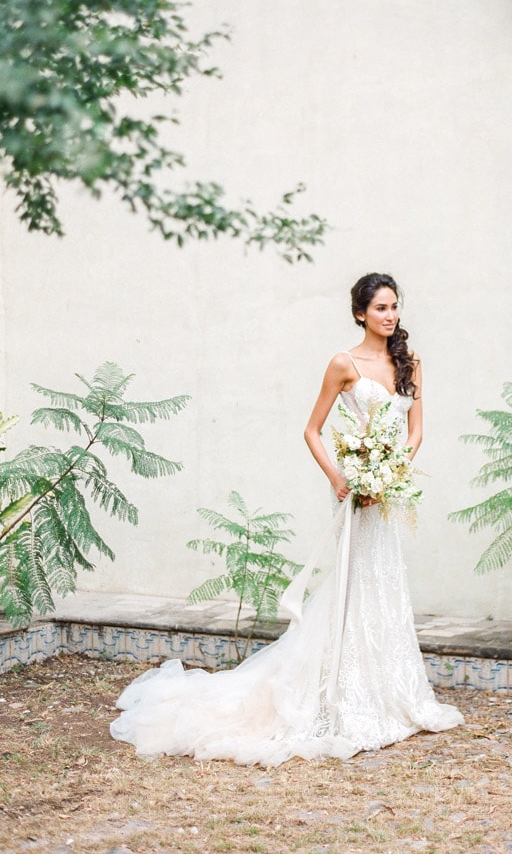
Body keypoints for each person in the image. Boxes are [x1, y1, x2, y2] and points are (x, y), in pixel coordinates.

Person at [110, 273, 463, 765]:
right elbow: (312, 431)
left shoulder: (410, 361)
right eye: (381, 308)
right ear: (361, 313)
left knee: (383, 583)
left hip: (386, 491)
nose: (390, 316)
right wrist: (341, 479)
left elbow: (416, 431)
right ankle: (335, 693)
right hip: (355, 493)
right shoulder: (344, 363)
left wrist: (391, 476)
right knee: (350, 584)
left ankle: (387, 692)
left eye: (395, 307)